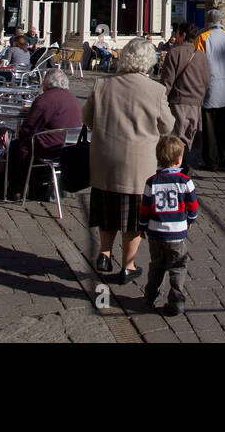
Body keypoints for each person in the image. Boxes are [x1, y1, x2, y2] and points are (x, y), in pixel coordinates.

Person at [82, 38, 176, 284]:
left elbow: (88, 118)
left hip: (104, 158)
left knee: (107, 208)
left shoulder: (102, 85)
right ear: (149, 61)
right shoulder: (155, 90)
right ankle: (127, 265)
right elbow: (168, 126)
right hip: (137, 164)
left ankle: (104, 252)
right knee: (132, 218)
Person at [138, 136, 199, 316]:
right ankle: (177, 299)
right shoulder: (185, 181)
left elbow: (145, 208)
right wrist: (190, 220)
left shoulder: (152, 182)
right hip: (177, 233)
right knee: (178, 267)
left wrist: (142, 226)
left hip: (155, 232)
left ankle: (151, 296)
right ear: (179, 159)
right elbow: (193, 206)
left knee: (157, 265)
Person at [10, 68, 82, 199]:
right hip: (70, 147)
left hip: (51, 147)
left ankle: (17, 188)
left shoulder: (45, 99)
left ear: (47, 83)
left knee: (17, 145)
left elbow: (28, 128)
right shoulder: (72, 98)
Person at [192, 10, 225, 170]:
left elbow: (196, 65)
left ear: (208, 20)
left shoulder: (202, 38)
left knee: (208, 126)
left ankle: (211, 159)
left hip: (209, 87)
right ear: (222, 21)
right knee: (222, 124)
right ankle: (224, 155)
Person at [158, 23, 210, 162]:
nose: (175, 36)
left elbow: (167, 82)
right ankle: (185, 164)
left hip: (178, 102)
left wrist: (161, 100)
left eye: (177, 33)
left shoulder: (174, 53)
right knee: (189, 138)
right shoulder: (202, 56)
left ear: (183, 35)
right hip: (196, 103)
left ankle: (177, 168)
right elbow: (207, 81)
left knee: (176, 138)